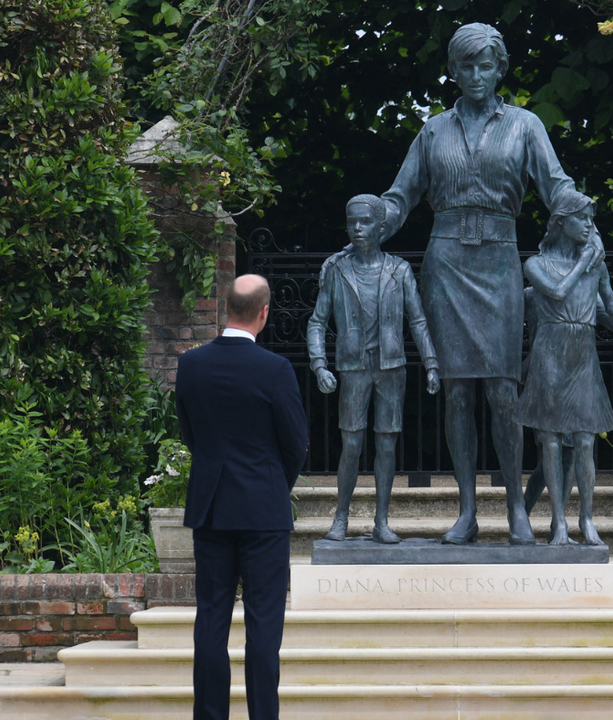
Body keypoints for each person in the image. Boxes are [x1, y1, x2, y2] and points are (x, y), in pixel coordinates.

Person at [373, 22, 598, 545]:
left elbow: (556, 184)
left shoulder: (525, 126)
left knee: (502, 389)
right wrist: (369, 223)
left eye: (485, 65)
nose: (476, 75)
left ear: (501, 69)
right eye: (466, 66)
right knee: (456, 393)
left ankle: (517, 507)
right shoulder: (432, 131)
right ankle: (467, 510)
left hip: (498, 261)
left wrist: (585, 221)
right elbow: (400, 197)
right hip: (447, 263)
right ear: (453, 71)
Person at [175, 274, 309, 720]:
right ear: (264, 313)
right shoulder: (275, 370)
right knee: (264, 626)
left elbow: (190, 433)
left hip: (212, 509)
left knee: (210, 620)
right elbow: (296, 444)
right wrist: (272, 483)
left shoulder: (191, 365)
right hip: (263, 513)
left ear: (224, 308)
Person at [514, 192, 613, 545]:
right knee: (550, 442)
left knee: (584, 442)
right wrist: (584, 262)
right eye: (583, 218)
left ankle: (586, 519)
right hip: (549, 355)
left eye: (591, 220)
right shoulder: (537, 264)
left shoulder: (596, 266)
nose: (590, 226)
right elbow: (556, 292)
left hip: (582, 355)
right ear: (562, 222)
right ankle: (559, 524)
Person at [306, 194, 441, 544]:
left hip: (392, 367)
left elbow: (419, 320)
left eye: (365, 222)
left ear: (382, 227)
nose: (357, 228)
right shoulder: (337, 270)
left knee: (386, 446)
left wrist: (431, 363)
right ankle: (341, 518)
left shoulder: (399, 270)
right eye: (352, 222)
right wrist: (319, 365)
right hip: (353, 368)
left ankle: (382, 521)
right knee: (350, 445)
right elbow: (317, 322)